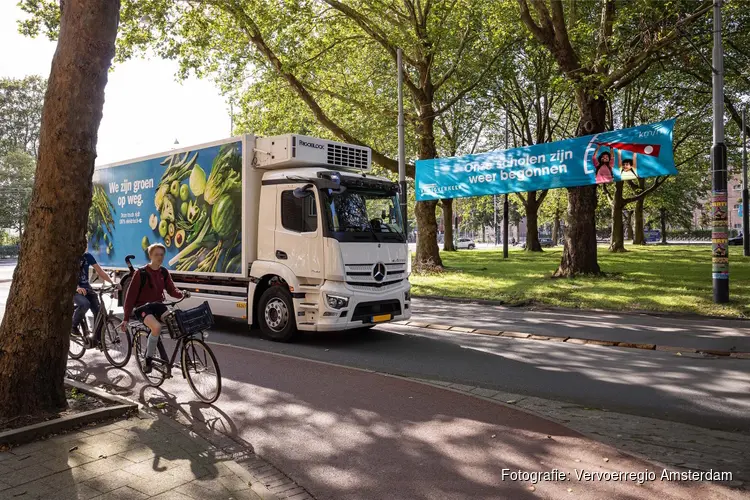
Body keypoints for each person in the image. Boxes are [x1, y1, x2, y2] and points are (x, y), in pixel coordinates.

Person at [121, 243, 188, 373]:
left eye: (162, 255)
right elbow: (130, 297)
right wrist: (125, 318)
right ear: (150, 255)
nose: (159, 257)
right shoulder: (141, 273)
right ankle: (148, 360)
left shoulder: (163, 271)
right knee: (156, 327)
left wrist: (182, 293)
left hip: (158, 305)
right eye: (156, 254)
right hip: (143, 308)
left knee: (178, 323)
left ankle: (184, 359)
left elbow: (172, 290)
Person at [73, 245, 119, 343]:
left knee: (99, 312)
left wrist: (112, 282)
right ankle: (73, 326)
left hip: (87, 288)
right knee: (85, 304)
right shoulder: (71, 256)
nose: (85, 246)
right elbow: (69, 275)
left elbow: (100, 271)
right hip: (74, 289)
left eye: (86, 243)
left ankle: (97, 339)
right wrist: (77, 287)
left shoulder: (88, 256)